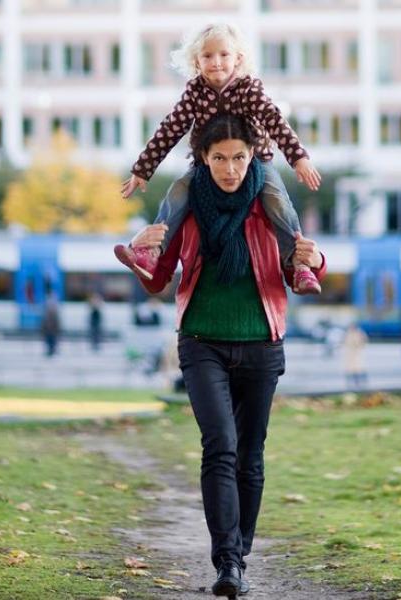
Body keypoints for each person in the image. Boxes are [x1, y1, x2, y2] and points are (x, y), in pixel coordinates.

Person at [124, 114, 327, 598]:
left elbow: (298, 263)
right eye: (219, 158)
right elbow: (157, 280)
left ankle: (240, 549)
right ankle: (228, 562)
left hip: (262, 344)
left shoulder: (270, 202)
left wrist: (313, 260)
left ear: (254, 154)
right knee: (220, 445)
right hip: (201, 342)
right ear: (203, 158)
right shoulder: (188, 203)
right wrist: (139, 250)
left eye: (239, 157)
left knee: (250, 456)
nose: (230, 169)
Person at [114, 23, 323, 296]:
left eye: (224, 55)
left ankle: (298, 263)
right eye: (207, 56)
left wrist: (298, 158)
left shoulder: (249, 88)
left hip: (257, 161)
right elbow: (170, 128)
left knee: (277, 200)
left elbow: (274, 120)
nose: (216, 63)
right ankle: (152, 251)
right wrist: (144, 168)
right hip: (204, 165)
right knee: (177, 191)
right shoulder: (195, 92)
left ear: (238, 58)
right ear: (196, 62)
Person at [342, 322, 368, 389]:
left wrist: (358, 345)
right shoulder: (348, 333)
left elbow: (363, 341)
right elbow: (345, 342)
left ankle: (360, 383)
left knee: (358, 368)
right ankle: (350, 383)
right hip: (350, 354)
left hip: (357, 353)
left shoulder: (359, 333)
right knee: (350, 369)